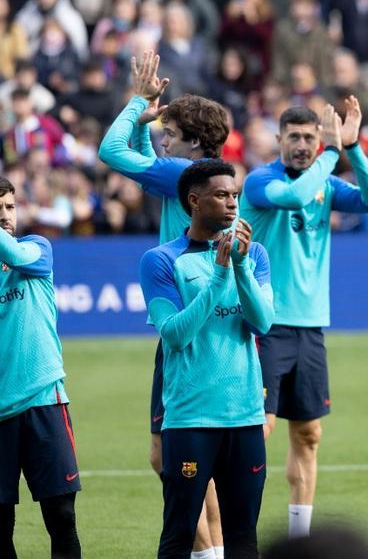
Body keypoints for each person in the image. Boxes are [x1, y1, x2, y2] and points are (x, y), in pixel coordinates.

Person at [98, 51, 230, 559]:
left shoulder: (181, 172)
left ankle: (204, 555)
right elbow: (137, 164)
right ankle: (215, 552)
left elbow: (112, 153)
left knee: (168, 457)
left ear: (193, 142)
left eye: (168, 134)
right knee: (196, 459)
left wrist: (136, 104)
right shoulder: (203, 176)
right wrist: (147, 113)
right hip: (210, 311)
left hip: (183, 315)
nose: (161, 142)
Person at [240, 99, 368, 538]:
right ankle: (234, 530)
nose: (303, 145)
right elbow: (295, 195)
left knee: (308, 435)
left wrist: (353, 148)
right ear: (279, 139)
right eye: (295, 137)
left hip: (311, 326)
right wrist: (330, 153)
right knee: (255, 431)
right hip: (267, 324)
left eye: (310, 137)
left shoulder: (326, 180)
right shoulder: (261, 181)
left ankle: (298, 537)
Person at [139, 160, 274, 559]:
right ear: (194, 201)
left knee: (244, 540)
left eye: (234, 196)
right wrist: (219, 275)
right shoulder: (161, 260)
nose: (233, 204)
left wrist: (240, 267)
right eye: (221, 195)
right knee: (179, 536)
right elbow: (176, 335)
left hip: (246, 417)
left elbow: (262, 323)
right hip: (190, 419)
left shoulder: (255, 254)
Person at [0, 176, 82, 559]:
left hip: (43, 402)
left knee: (62, 516)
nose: (5, 216)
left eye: (9, 207)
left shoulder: (37, 248)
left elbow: (15, 257)